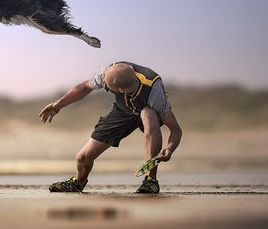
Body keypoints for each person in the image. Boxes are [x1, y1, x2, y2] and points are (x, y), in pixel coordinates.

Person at [39, 61, 183, 194]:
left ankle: (151, 181)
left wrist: (169, 149)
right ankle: (78, 182)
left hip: (148, 111)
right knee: (82, 157)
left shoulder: (154, 91)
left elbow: (176, 130)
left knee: (148, 114)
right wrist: (57, 105)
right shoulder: (107, 73)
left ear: (120, 90)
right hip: (122, 112)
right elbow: (84, 87)